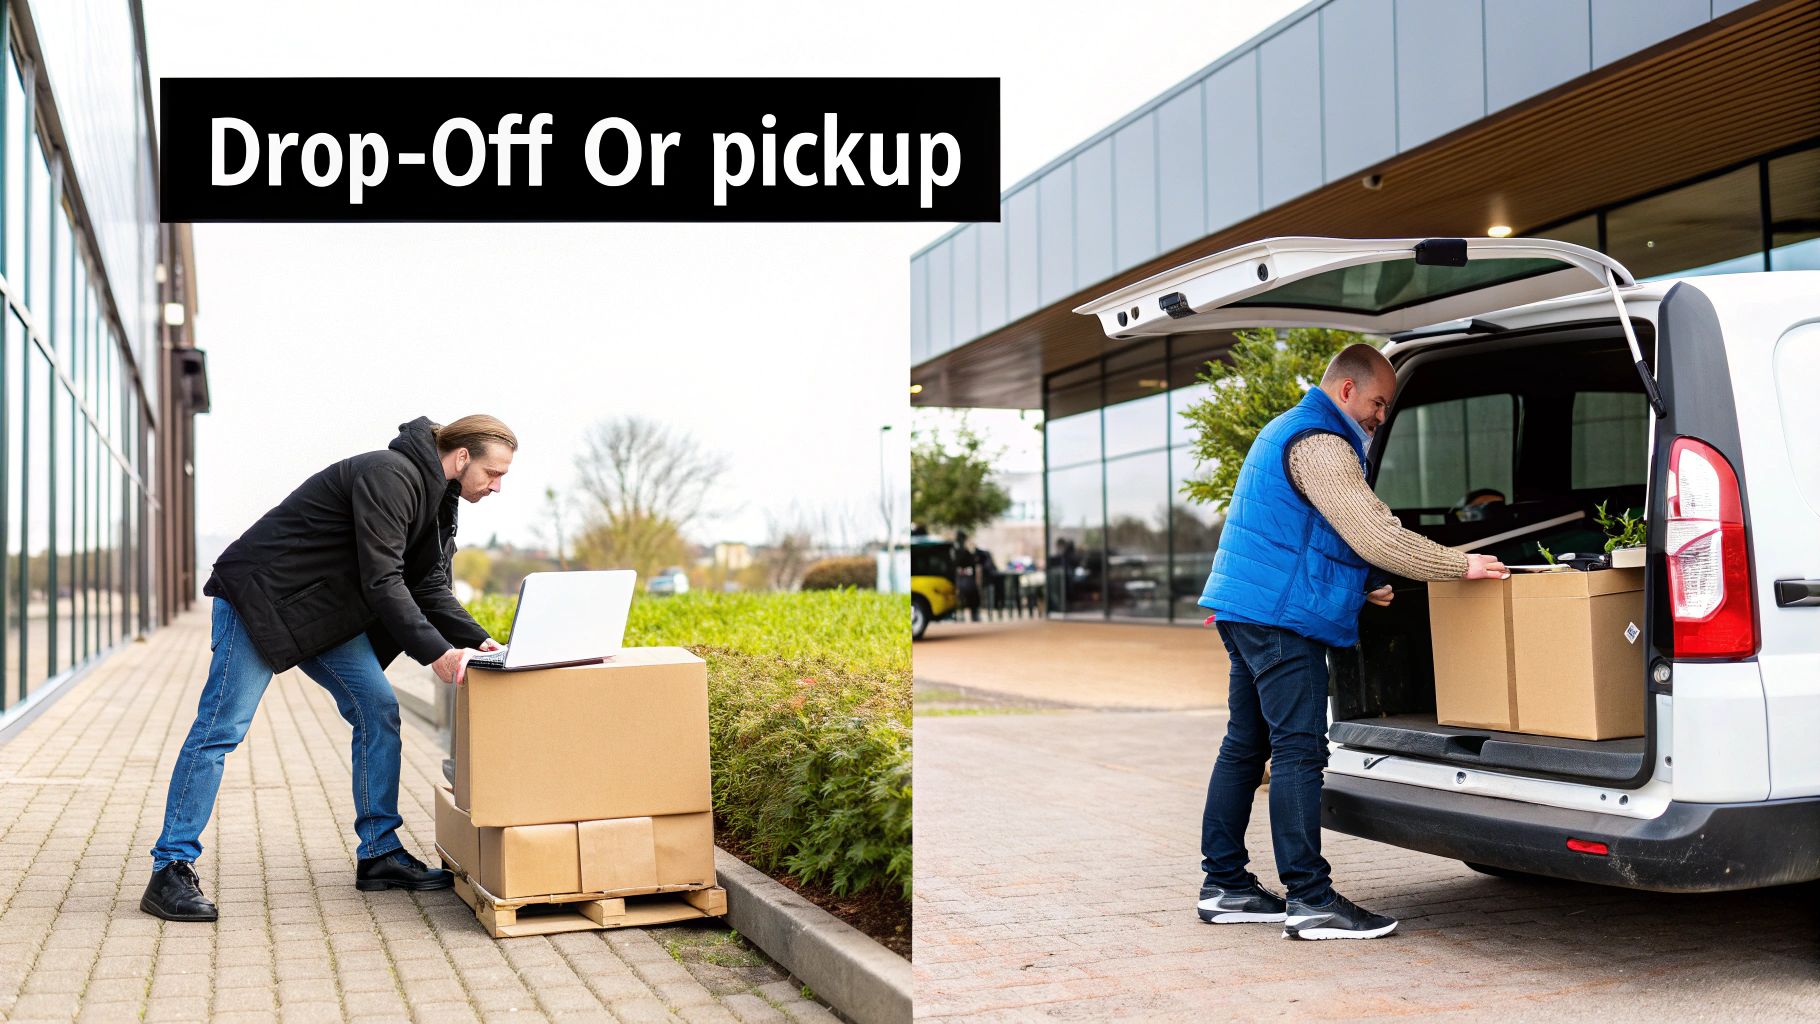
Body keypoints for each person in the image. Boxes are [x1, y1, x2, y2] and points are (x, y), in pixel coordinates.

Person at [141, 415, 517, 922]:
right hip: (263, 601)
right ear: (464, 456)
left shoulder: (437, 499)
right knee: (220, 729)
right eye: (494, 474)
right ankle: (170, 868)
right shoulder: (391, 475)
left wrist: (480, 642)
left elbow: (427, 585)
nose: (497, 487)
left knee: (378, 710)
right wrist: (438, 654)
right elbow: (384, 580)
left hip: (320, 614)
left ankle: (380, 854)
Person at [1196, 345, 1509, 940]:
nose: (1380, 416)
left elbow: (1307, 533)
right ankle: (1310, 900)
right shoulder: (1321, 442)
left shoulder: (1289, 430)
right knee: (1298, 751)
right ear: (1345, 391)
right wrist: (1457, 565)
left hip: (1248, 607)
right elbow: (1371, 532)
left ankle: (1226, 886)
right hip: (1279, 620)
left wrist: (1360, 584)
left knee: (1246, 744)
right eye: (1377, 403)